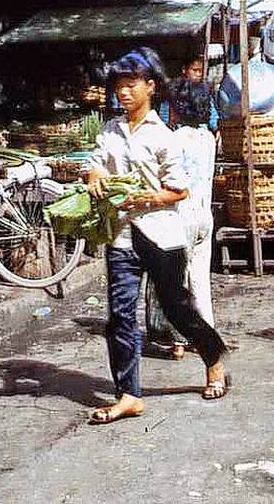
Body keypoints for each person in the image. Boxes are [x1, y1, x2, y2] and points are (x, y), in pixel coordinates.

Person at [86, 47, 229, 424]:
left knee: (176, 308)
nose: (124, 92)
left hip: (162, 236)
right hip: (120, 235)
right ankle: (129, 394)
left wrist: (147, 197)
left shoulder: (164, 136)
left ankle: (213, 356)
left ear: (150, 87)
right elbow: (95, 165)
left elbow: (179, 190)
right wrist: (95, 178)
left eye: (131, 85)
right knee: (120, 317)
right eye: (119, 86)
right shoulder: (109, 129)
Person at [145, 79, 219, 358]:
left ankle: (178, 341)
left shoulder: (174, 141)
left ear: (177, 108)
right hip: (204, 215)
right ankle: (207, 339)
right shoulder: (208, 139)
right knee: (200, 280)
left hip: (181, 218)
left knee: (177, 283)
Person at [158, 56, 219, 131]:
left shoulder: (204, 90)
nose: (198, 74)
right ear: (184, 70)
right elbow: (164, 118)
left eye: (201, 71)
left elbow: (212, 115)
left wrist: (217, 129)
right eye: (195, 70)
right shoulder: (173, 90)